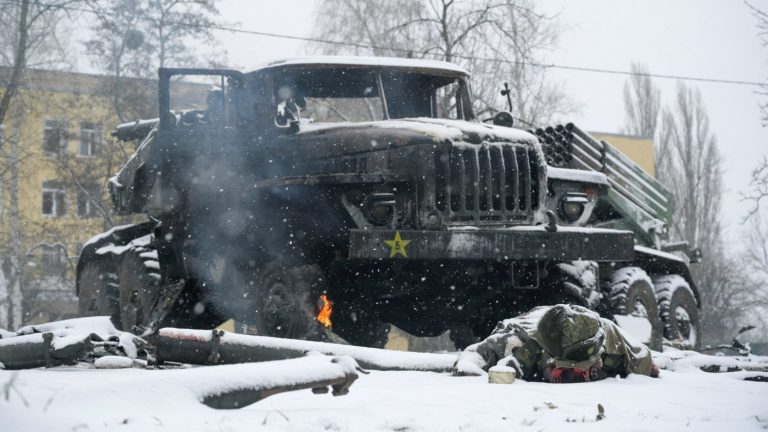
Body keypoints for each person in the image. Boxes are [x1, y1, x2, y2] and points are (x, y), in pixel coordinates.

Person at [453, 304, 659, 383]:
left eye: (583, 374)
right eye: (564, 375)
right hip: (533, 318)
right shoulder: (520, 342)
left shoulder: (611, 336)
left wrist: (648, 369)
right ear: (550, 361)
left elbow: (644, 361)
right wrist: (471, 369)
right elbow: (473, 355)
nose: (575, 380)